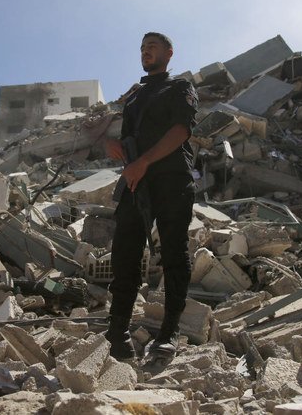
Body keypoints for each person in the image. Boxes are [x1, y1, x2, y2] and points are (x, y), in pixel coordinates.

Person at [105, 32, 198, 360]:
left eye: (153, 47)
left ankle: (168, 334)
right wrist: (115, 147)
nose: (146, 51)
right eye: (143, 47)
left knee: (173, 254)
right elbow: (125, 137)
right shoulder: (134, 97)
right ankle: (117, 336)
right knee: (124, 256)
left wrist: (143, 161)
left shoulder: (179, 87)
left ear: (169, 53)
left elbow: (180, 131)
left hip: (171, 180)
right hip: (135, 183)